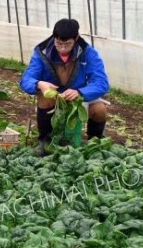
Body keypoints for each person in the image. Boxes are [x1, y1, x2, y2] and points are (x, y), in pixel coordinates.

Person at [20, 18, 109, 156]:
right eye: (58, 43)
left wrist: (80, 92)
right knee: (45, 96)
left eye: (67, 44)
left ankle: (94, 143)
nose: (62, 48)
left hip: (78, 94)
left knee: (99, 110)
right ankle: (45, 142)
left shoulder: (88, 52)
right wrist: (38, 84)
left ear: (76, 38)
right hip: (55, 95)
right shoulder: (41, 51)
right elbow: (26, 79)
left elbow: (101, 82)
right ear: (54, 37)